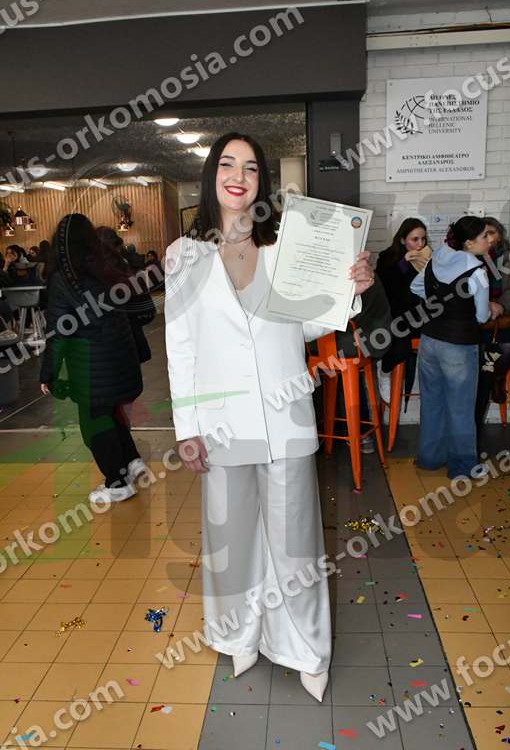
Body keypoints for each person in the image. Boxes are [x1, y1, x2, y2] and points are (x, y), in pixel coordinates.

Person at [165, 132, 374, 702]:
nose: (239, 176)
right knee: (231, 541)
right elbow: (180, 346)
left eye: (251, 168)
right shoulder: (184, 255)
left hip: (285, 418)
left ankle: (306, 648)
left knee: (295, 542)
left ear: (262, 182)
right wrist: (186, 428)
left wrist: (351, 289)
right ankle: (239, 635)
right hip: (221, 423)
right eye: (228, 164)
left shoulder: (284, 247)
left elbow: (308, 323)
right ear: (211, 175)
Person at [40, 214, 146, 504]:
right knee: (110, 413)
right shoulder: (105, 266)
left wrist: (47, 374)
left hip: (92, 366)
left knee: (95, 424)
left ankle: (117, 484)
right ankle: (132, 462)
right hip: (122, 357)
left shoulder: (63, 279)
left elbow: (58, 334)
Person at [411, 216, 490, 479]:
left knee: (432, 402)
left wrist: (439, 303)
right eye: (484, 236)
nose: (488, 241)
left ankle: (430, 459)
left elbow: (416, 286)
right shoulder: (477, 272)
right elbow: (481, 317)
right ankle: (462, 467)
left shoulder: (437, 258)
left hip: (429, 340)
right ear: (469, 243)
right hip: (459, 345)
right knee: (461, 408)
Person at [376, 218, 431, 401]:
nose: (420, 244)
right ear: (402, 240)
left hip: (421, 314)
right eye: (415, 239)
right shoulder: (387, 257)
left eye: (423, 239)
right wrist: (404, 262)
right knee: (400, 348)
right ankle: (384, 372)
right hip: (395, 315)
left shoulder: (428, 257)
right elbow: (385, 285)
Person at [97, 226, 156, 366]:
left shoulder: (92, 272)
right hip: (130, 342)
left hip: (105, 348)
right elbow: (147, 311)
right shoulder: (129, 267)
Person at [475, 217, 510, 430]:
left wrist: (500, 306)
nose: (489, 238)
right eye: (484, 234)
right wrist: (485, 305)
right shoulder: (471, 256)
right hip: (478, 320)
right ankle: (490, 382)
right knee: (481, 362)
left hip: (503, 319)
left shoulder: (507, 257)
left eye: (492, 233)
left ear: (499, 235)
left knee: (507, 345)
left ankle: (498, 378)